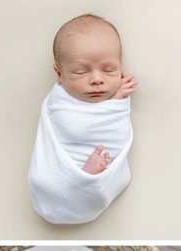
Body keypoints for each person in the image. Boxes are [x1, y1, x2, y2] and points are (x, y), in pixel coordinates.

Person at [51, 14, 137, 174]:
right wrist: (115, 99)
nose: (97, 79)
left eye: (109, 70)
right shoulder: (58, 103)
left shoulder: (115, 94)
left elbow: (118, 135)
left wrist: (116, 102)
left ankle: (87, 176)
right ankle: (83, 175)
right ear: (59, 73)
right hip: (64, 171)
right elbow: (73, 129)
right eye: (81, 71)